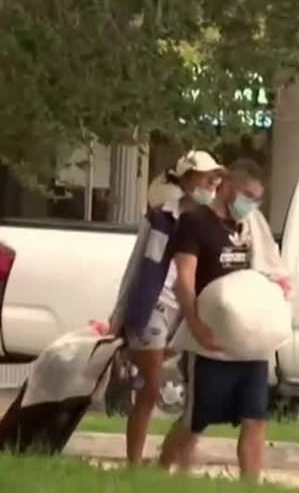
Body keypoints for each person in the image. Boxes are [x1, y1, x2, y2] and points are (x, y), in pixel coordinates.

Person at [158, 159, 289, 482]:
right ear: (227, 186)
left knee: (254, 417)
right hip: (210, 341)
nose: (251, 204)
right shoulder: (195, 223)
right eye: (247, 195)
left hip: (248, 341)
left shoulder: (248, 228)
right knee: (196, 420)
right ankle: (159, 472)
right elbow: (184, 281)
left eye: (257, 198)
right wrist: (198, 327)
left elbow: (266, 268)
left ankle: (250, 485)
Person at [108, 150, 223, 465]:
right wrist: (119, 315)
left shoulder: (210, 220)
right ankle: (134, 460)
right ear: (187, 180)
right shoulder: (161, 218)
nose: (211, 182)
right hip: (156, 304)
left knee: (196, 385)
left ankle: (174, 457)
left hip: (190, 309)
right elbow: (138, 266)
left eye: (214, 176)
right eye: (204, 176)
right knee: (151, 384)